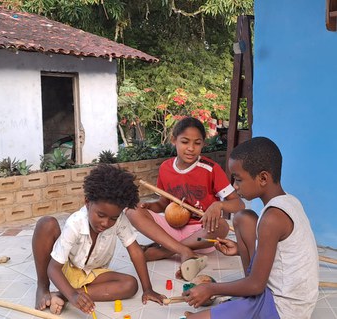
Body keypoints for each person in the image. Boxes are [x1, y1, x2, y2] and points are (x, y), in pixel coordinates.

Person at [182, 137, 319, 319]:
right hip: (281, 296)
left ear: (263, 178)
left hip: (284, 308)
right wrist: (239, 249)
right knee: (243, 218)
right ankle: (246, 301)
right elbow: (281, 255)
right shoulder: (289, 201)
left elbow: (257, 285)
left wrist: (211, 289)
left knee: (195, 318)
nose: (234, 186)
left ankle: (247, 303)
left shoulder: (272, 218)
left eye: (238, 179)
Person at [33, 164, 166, 315]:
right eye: (101, 215)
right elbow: (53, 268)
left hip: (92, 274)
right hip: (65, 270)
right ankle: (43, 288)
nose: (106, 223)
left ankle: (61, 294)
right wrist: (73, 295)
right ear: (87, 202)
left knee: (130, 285)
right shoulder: (75, 223)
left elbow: (135, 251)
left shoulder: (120, 220)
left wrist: (148, 289)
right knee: (46, 223)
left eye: (113, 218)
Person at [125, 117, 244, 280]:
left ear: (203, 144)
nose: (191, 148)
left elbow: (239, 204)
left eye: (197, 143)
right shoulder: (165, 168)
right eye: (185, 142)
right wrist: (149, 207)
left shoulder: (211, 169)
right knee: (132, 211)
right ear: (174, 140)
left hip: (202, 235)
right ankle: (182, 250)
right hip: (172, 229)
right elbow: (162, 204)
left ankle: (164, 250)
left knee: (222, 226)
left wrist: (218, 206)